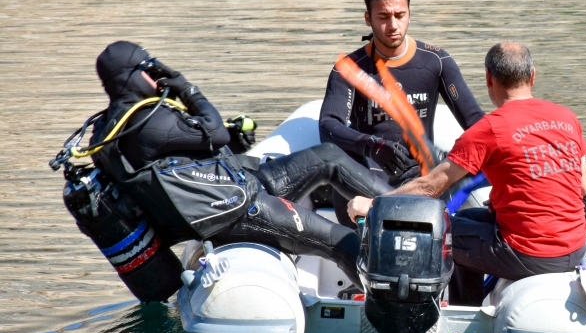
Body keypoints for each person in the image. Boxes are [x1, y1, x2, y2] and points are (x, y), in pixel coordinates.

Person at [90, 41, 392, 287]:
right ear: (132, 74)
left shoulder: (107, 130)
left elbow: (178, 160)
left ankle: (401, 207)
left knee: (329, 157)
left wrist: (230, 142)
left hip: (230, 189)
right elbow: (215, 131)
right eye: (149, 68)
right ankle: (389, 316)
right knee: (344, 242)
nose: (156, 76)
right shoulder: (149, 120)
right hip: (235, 212)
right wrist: (185, 87)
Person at [348, 42, 586, 305]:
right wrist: (504, 200)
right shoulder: (567, 117)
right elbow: (582, 187)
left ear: (489, 79)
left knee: (443, 231)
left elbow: (431, 187)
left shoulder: (489, 128)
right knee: (466, 218)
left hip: (529, 254)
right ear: (533, 75)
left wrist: (373, 204)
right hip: (576, 249)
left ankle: (465, 317)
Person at [319, 0, 484, 221]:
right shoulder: (350, 68)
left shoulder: (436, 61)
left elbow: (476, 123)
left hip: (421, 176)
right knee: (342, 161)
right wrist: (372, 146)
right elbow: (328, 126)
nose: (393, 25)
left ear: (409, 14)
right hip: (370, 173)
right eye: (383, 17)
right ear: (368, 19)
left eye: (399, 15)